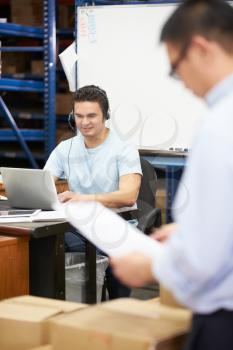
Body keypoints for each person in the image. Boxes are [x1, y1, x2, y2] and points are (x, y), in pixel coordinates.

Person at [111, 0, 233, 349]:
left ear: (199, 49)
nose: (181, 83)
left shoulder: (220, 124)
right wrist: (190, 228)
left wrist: (150, 268)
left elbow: (202, 260)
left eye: (176, 69)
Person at [44, 84, 142, 299]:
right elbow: (43, 183)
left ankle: (110, 308)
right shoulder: (66, 148)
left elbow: (128, 196)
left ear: (105, 115)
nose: (84, 122)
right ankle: (64, 306)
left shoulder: (124, 149)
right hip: (80, 226)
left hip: (117, 227)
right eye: (78, 116)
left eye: (91, 116)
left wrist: (82, 199)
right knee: (44, 245)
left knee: (95, 254)